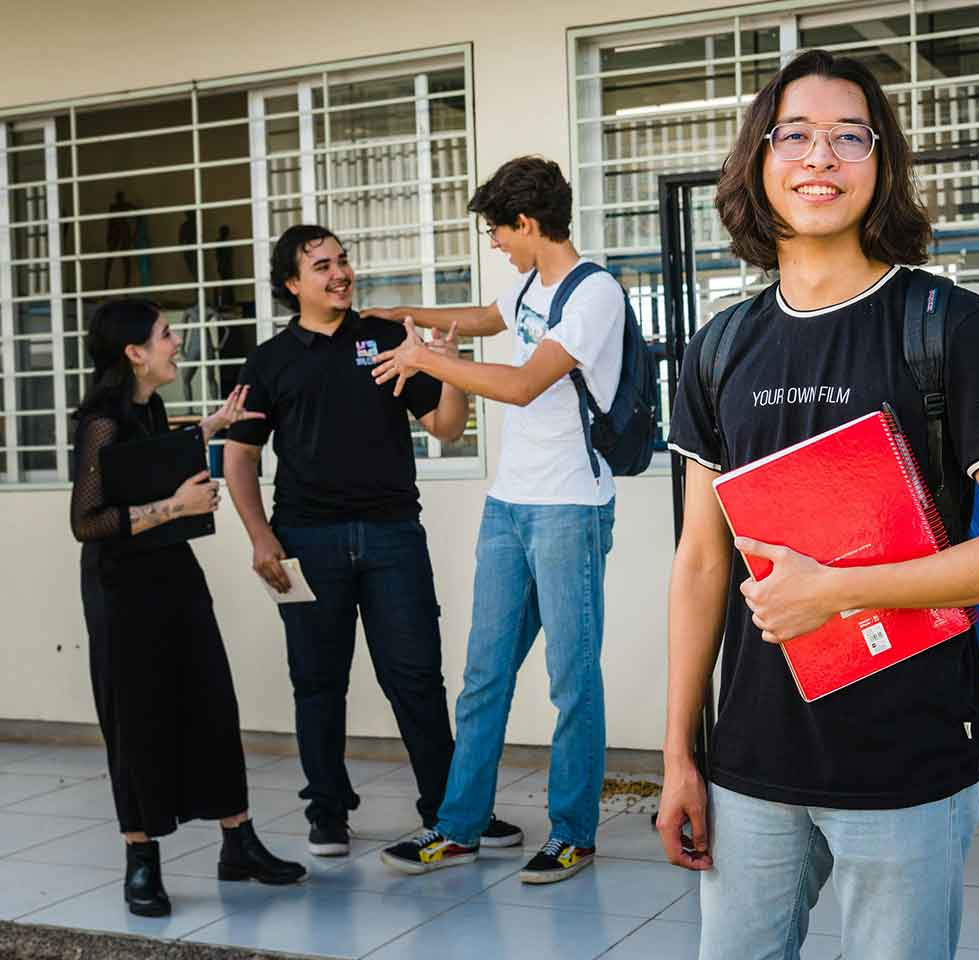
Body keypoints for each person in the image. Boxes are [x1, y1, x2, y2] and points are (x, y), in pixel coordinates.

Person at [657, 50, 979, 960]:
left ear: (881, 166)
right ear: (757, 161)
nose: (820, 158)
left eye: (850, 137)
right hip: (752, 761)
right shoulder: (721, 346)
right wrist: (680, 752)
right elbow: (699, 560)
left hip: (908, 758)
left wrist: (842, 591)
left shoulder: (948, 326)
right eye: (795, 134)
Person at [223, 225, 521, 858]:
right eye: (323, 265)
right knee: (318, 681)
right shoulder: (269, 361)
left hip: (392, 537)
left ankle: (452, 811)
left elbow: (444, 428)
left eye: (343, 260)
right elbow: (240, 457)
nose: (340, 273)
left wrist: (451, 368)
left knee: (416, 678)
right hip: (306, 540)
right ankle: (327, 812)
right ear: (292, 284)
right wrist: (260, 538)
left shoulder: (386, 339)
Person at [366, 156, 624, 884]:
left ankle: (573, 832)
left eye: (497, 232)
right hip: (509, 507)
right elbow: (485, 319)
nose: (495, 245)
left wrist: (428, 362)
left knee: (572, 680)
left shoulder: (594, 292)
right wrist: (401, 318)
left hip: (571, 507)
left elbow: (519, 383)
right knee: (484, 677)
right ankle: (458, 827)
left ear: (528, 223)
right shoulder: (528, 283)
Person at [70, 299, 306, 919]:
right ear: (134, 352)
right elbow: (86, 522)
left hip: (172, 574)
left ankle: (239, 843)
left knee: (209, 699)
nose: (178, 342)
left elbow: (145, 465)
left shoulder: (148, 406)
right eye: (166, 334)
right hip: (121, 591)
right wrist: (176, 507)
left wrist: (210, 426)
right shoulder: (99, 419)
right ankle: (140, 859)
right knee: (136, 715)